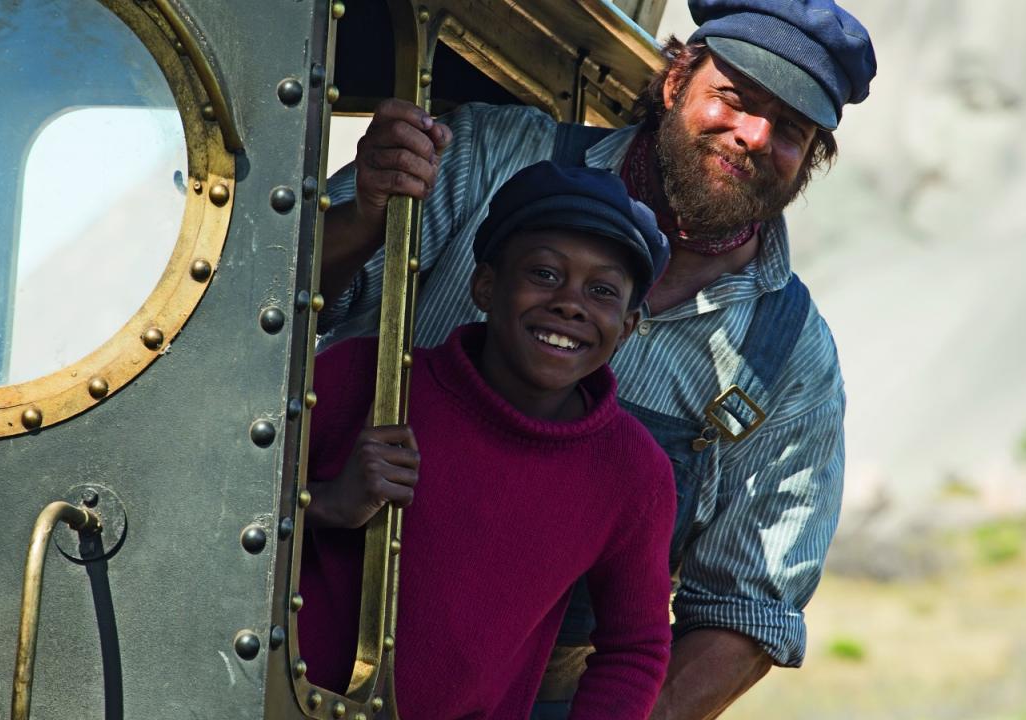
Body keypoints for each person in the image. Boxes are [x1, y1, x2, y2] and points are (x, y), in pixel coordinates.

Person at [315, 1, 876, 717]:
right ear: (676, 81)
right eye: (736, 99)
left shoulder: (792, 356)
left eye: (793, 128)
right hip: (320, 645)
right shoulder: (490, 155)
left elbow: (747, 612)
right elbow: (286, 303)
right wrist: (366, 210)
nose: (756, 135)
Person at [298, 161, 677, 719]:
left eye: (601, 291)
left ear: (623, 329)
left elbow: (635, 648)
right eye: (544, 274)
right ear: (485, 285)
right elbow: (223, 511)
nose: (570, 303)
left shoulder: (633, 471)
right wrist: (329, 503)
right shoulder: (363, 378)